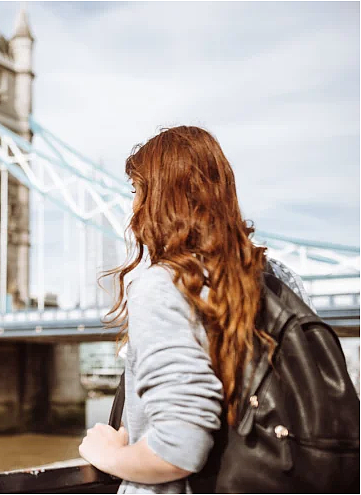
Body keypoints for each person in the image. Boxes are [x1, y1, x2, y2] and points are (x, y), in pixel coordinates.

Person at [78, 126, 314, 493]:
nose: (133, 207)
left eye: (136, 190)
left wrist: (106, 454)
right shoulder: (283, 281)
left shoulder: (164, 286)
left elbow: (178, 450)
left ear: (158, 200)